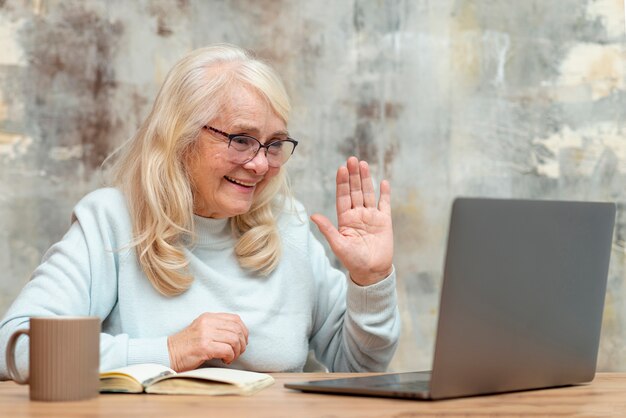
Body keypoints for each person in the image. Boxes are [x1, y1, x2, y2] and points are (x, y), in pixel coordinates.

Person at [0, 44, 400, 377]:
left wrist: (370, 280)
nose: (260, 164)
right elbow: (17, 348)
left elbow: (360, 365)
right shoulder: (111, 220)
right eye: (241, 140)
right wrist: (168, 352)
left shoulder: (287, 224)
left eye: (274, 143)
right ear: (181, 138)